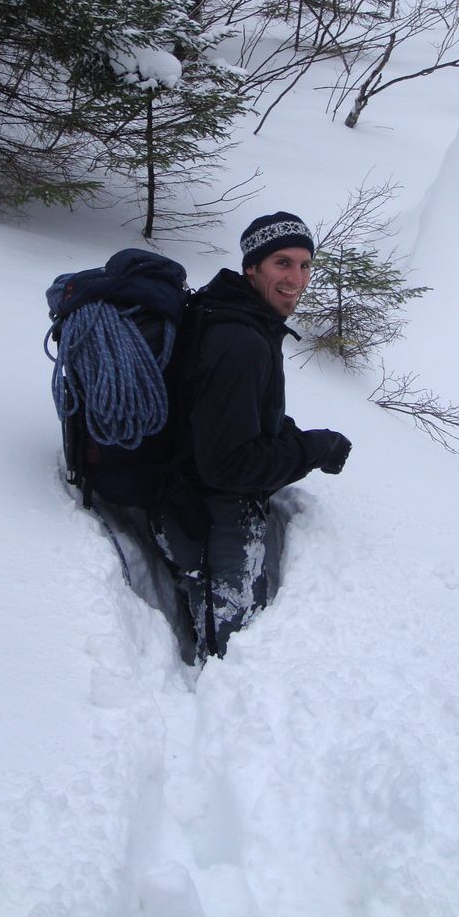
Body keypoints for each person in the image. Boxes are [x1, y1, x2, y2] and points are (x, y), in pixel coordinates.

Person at [152, 211, 352, 660]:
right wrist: (313, 448)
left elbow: (235, 413)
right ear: (252, 267)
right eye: (282, 263)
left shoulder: (231, 312)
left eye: (305, 265)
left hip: (187, 494)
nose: (296, 278)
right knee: (236, 657)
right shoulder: (239, 341)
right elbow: (229, 466)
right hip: (207, 514)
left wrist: (298, 440)